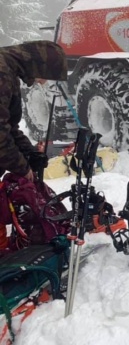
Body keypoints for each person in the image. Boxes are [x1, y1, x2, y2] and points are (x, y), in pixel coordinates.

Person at [0, 40, 68, 249]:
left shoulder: (8, 70)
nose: (41, 83)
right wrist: (23, 167)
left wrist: (30, 154)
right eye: (45, 76)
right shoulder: (2, 74)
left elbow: (9, 126)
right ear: (39, 65)